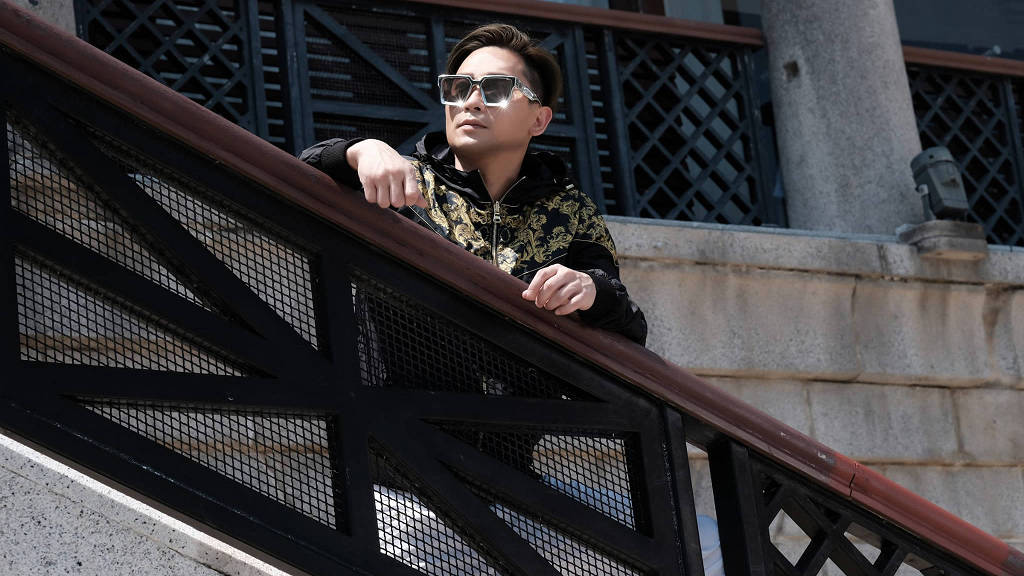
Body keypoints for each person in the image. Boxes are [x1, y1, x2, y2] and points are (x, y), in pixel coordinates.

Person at [301, 23, 647, 346]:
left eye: (496, 89)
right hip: (406, 389)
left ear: (539, 120)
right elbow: (298, 180)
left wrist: (592, 291)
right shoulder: (406, 181)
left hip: (528, 392)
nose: (471, 101)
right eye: (459, 88)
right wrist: (360, 151)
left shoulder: (571, 211)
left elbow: (630, 325)